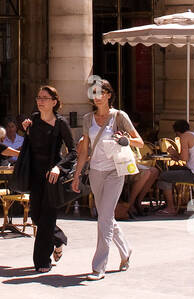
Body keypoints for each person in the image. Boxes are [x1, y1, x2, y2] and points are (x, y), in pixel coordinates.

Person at [71, 80, 138, 279]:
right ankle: (126, 250)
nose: (97, 96)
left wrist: (126, 140)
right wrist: (77, 175)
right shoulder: (87, 118)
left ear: (109, 94)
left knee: (104, 217)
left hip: (115, 171)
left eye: (101, 92)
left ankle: (99, 266)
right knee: (105, 216)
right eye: (93, 93)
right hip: (95, 171)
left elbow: (139, 141)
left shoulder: (119, 116)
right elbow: (84, 150)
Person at [18, 84, 75, 273]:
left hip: (52, 176)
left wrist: (59, 168)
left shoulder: (61, 123)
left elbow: (73, 152)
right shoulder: (33, 120)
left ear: (54, 102)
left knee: (48, 217)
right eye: (38, 98)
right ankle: (58, 239)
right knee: (36, 216)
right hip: (35, 174)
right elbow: (28, 143)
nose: (40, 101)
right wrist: (24, 129)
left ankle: (42, 261)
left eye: (44, 98)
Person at [156, 119, 194, 215]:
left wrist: (174, 153)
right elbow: (186, 158)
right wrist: (176, 156)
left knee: (163, 176)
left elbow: (184, 158)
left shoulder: (184, 137)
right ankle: (179, 202)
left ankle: (171, 207)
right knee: (171, 170)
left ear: (177, 132)